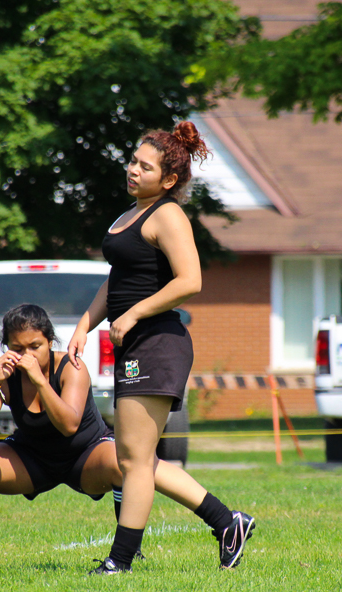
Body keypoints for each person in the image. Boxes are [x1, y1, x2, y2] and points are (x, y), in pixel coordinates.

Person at [67, 121, 255, 575]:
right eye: (133, 161)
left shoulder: (168, 214)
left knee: (131, 459)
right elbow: (118, 279)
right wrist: (86, 323)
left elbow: (190, 280)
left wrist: (132, 315)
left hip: (158, 343)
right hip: (135, 344)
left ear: (168, 180)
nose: (132, 169)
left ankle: (120, 562)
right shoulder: (128, 214)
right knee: (138, 458)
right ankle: (227, 522)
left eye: (144, 166)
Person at [0, 303, 248, 571]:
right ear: (6, 347)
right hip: (33, 458)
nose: (26, 355)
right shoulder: (7, 373)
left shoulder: (71, 368)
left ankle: (133, 548)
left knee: (129, 465)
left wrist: (40, 382)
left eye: (35, 346)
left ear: (50, 342)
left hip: (86, 454)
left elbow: (68, 424)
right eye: (17, 348)